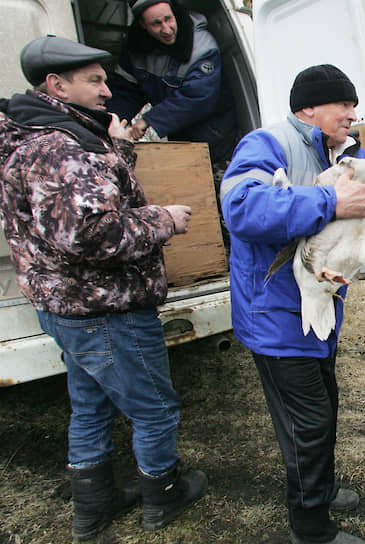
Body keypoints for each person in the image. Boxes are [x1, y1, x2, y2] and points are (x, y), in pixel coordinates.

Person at [0, 35, 207, 540]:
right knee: (155, 409)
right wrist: (162, 219)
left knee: (90, 404)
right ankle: (163, 494)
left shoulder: (41, 135)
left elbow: (87, 199)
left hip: (67, 305)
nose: (107, 90)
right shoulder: (59, 147)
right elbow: (90, 234)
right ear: (56, 84)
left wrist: (117, 149)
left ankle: (93, 506)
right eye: (93, 80)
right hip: (105, 308)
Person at [219, 64, 365, 544]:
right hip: (274, 318)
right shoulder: (266, 143)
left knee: (324, 408)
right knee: (307, 423)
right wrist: (328, 203)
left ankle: (323, 487)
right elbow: (241, 209)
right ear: (308, 107)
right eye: (344, 105)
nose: (352, 115)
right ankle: (310, 530)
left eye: (354, 105)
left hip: (319, 310)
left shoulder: (345, 152)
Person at [106, 0, 238, 165]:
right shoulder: (135, 49)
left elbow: (198, 98)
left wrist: (149, 120)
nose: (166, 29)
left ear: (174, 13)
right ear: (142, 25)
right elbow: (126, 92)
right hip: (180, 136)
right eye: (156, 24)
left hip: (216, 135)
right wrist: (111, 124)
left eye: (168, 19)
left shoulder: (202, 47)